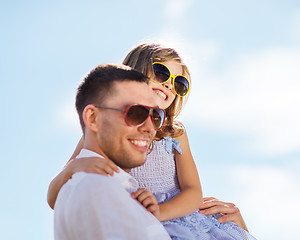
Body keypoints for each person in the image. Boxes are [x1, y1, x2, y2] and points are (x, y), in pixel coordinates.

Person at [49, 43, 256, 239]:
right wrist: (73, 168)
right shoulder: (105, 129)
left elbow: (193, 191)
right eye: (161, 73)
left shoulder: (175, 133)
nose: (168, 84)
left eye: (179, 84)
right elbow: (54, 197)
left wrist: (159, 212)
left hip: (174, 218)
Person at [54, 64, 171, 239]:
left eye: (155, 116)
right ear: (93, 118)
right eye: (136, 112)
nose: (150, 128)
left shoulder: (119, 193)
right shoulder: (97, 188)